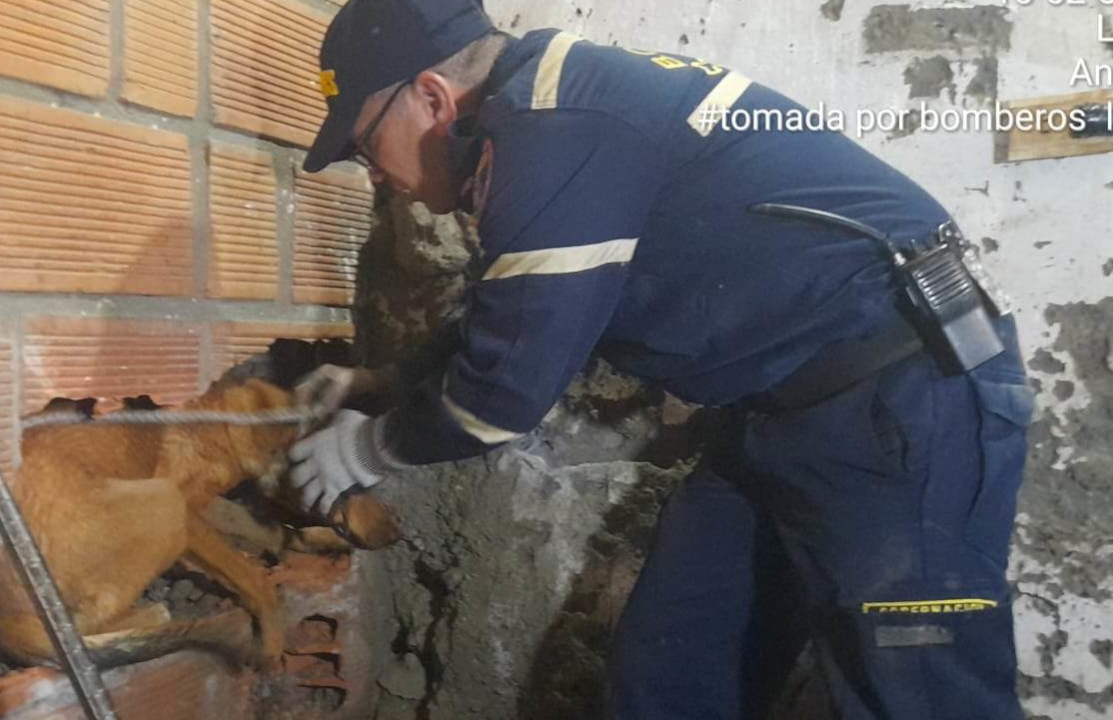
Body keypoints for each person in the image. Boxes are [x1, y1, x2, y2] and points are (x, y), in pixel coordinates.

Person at [286, 1, 1034, 717]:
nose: (373, 174)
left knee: (920, 693)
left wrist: (369, 448)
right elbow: (519, 316)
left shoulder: (558, 126)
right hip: (779, 414)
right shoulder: (546, 113)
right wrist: (384, 380)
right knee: (673, 672)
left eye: (363, 145)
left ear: (431, 96)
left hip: (902, 401)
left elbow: (500, 398)